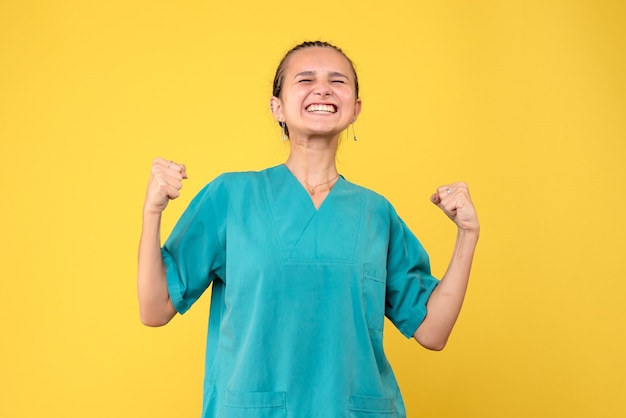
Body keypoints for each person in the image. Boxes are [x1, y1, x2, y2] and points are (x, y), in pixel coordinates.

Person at [138, 40, 479, 417]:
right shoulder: (230, 198)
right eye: (305, 79)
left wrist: (467, 235)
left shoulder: (375, 214)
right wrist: (152, 212)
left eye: (338, 81)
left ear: (356, 109)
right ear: (277, 106)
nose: (323, 89)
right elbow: (155, 309)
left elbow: (432, 331)